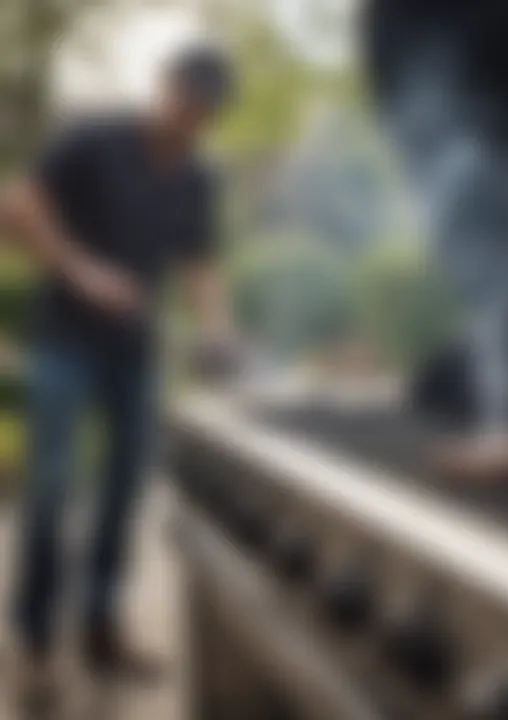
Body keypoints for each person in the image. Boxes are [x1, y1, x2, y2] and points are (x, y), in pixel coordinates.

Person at [0, 44, 237, 702]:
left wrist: (219, 330)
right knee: (51, 490)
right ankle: (35, 641)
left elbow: (200, 262)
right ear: (161, 86)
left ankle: (103, 626)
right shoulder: (93, 140)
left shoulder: (197, 177)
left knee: (127, 490)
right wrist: (81, 271)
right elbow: (14, 206)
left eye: (205, 110)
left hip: (135, 355)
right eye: (185, 98)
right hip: (65, 345)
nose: (192, 117)